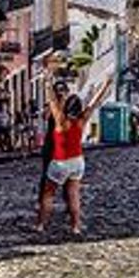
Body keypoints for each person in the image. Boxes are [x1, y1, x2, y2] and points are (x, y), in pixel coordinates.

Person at [36, 77, 91, 236]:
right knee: (64, 189)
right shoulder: (68, 115)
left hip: (60, 152)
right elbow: (47, 115)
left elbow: (55, 110)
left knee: (53, 190)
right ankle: (75, 225)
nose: (61, 94)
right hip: (56, 149)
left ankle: (42, 222)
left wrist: (53, 95)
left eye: (63, 91)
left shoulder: (62, 117)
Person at [38, 81, 71, 199]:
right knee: (46, 172)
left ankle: (68, 200)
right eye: (57, 91)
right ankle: (43, 199)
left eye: (62, 91)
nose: (60, 93)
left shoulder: (70, 106)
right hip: (50, 143)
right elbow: (45, 117)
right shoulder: (51, 105)